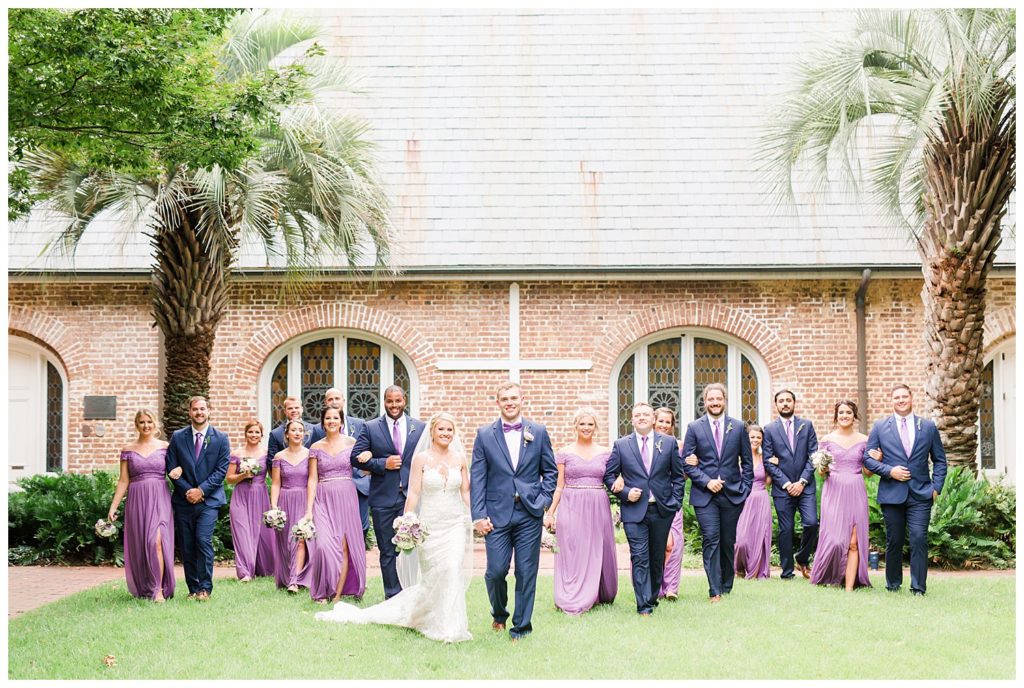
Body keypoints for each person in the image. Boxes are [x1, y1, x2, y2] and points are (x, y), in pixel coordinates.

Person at [316, 412, 474, 643]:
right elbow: (415, 493)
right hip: (430, 526)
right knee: (433, 576)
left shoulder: (460, 459)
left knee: (451, 569)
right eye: (441, 429)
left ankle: (450, 626)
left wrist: (477, 516)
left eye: (449, 430)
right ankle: (421, 615)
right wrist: (408, 520)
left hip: (455, 524)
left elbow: (466, 491)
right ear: (432, 432)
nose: (445, 433)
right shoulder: (421, 458)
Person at [471, 381, 557, 640]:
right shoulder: (484, 434)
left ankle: (521, 627)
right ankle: (499, 613)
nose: (509, 402)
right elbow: (478, 478)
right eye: (504, 399)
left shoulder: (538, 431)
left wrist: (543, 501)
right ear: (497, 402)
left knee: (526, 571)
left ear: (522, 400)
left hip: (529, 513)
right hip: (496, 514)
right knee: (495, 571)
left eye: (514, 398)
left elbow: (550, 471)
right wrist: (478, 515)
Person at [864, 384, 948, 595]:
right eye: (896, 397)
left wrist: (936, 487)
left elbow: (940, 461)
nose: (900, 400)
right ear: (891, 400)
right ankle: (893, 584)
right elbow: (867, 459)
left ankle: (918, 587)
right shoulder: (880, 427)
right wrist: (889, 471)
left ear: (911, 398)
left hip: (921, 494)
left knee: (919, 538)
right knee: (894, 540)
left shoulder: (928, 427)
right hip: (892, 493)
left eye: (904, 396)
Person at [604, 402, 684, 616]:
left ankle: (651, 596)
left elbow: (678, 476)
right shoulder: (621, 445)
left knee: (657, 557)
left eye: (646, 414)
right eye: (637, 415)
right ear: (632, 419)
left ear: (653, 419)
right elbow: (609, 476)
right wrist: (624, 492)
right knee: (639, 556)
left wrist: (675, 502)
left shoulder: (668, 443)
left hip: (661, 510)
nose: (641, 418)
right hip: (634, 510)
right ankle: (644, 606)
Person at [350, 385, 425, 600]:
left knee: (412, 546)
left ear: (405, 400)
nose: (394, 405)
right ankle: (392, 596)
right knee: (387, 549)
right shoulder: (371, 427)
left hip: (412, 497)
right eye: (390, 401)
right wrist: (383, 463)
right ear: (384, 402)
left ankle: (412, 592)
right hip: (383, 498)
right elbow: (354, 458)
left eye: (398, 401)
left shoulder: (419, 427)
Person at [682, 383, 753, 602]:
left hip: (732, 494)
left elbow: (748, 463)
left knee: (727, 540)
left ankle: (726, 585)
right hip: (705, 496)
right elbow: (687, 463)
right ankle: (714, 589)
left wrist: (745, 489)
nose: (714, 402)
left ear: (724, 400)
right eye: (710, 399)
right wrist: (706, 481)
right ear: (704, 402)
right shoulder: (694, 427)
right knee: (711, 538)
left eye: (718, 399)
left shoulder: (739, 426)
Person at [545, 408, 617, 615]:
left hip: (597, 505)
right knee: (572, 548)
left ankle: (593, 592)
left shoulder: (605, 453)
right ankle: (571, 594)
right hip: (571, 504)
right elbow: (559, 485)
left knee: (594, 548)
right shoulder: (564, 452)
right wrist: (550, 512)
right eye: (582, 424)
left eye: (590, 424)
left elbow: (612, 478)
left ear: (596, 427)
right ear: (575, 426)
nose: (586, 428)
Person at [165, 396, 231, 600]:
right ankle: (192, 588)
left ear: (209, 410)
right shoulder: (178, 437)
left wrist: (201, 491)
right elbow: (171, 467)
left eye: (202, 409)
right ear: (189, 412)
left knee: (203, 540)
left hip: (209, 501)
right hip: (184, 500)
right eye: (195, 409)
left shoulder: (220, 438)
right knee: (187, 544)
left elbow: (221, 471)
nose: (199, 413)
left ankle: (205, 588)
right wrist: (188, 491)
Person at [811, 400, 879, 590]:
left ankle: (849, 587)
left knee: (853, 542)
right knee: (835, 539)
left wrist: (876, 460)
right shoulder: (827, 439)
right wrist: (822, 466)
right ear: (836, 416)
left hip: (856, 489)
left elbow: (868, 472)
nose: (844, 415)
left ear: (854, 415)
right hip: (833, 490)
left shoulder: (865, 440)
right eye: (841, 412)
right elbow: (821, 473)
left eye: (848, 412)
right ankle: (829, 574)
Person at [107, 409, 174, 601]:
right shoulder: (128, 450)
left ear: (155, 424)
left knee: (157, 542)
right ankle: (146, 584)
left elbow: (175, 471)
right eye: (142, 422)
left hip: (160, 497)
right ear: (137, 425)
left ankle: (158, 590)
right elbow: (123, 481)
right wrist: (113, 506)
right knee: (142, 543)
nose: (146, 426)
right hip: (137, 498)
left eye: (149, 422)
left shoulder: (165, 447)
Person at [307, 406, 367, 602]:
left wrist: (369, 457)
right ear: (322, 422)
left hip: (346, 498)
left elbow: (365, 469)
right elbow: (312, 479)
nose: (331, 421)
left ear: (341, 422)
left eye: (335, 418)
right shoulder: (316, 447)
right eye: (327, 418)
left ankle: (337, 595)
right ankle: (322, 590)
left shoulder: (352, 443)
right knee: (323, 545)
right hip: (323, 498)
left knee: (343, 547)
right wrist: (308, 510)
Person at [761, 389, 819, 580]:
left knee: (811, 523)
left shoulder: (807, 425)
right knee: (786, 529)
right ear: (776, 405)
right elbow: (768, 461)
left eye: (788, 400)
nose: (785, 403)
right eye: (781, 401)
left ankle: (802, 558)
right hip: (782, 488)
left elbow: (813, 456)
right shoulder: (769, 430)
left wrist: (801, 482)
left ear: (794, 403)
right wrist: (786, 483)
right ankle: (787, 571)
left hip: (805, 486)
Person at [310, 388, 371, 536]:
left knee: (359, 530)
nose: (334, 402)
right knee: (331, 531)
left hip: (359, 485)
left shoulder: (360, 423)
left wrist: (369, 454)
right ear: (325, 403)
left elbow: (369, 448)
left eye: (337, 398)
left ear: (344, 401)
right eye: (330, 399)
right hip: (329, 489)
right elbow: (312, 458)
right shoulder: (318, 429)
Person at [226, 419, 275, 581]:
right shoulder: (236, 454)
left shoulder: (267, 453)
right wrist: (243, 475)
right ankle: (245, 572)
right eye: (250, 432)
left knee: (262, 534)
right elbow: (229, 479)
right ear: (245, 434)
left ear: (261, 435)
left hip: (260, 495)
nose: (253, 435)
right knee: (242, 532)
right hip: (241, 496)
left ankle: (264, 568)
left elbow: (275, 477)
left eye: (257, 432)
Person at [270, 419, 313, 592]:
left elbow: (313, 480)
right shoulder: (279, 457)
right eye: (293, 430)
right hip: (285, 500)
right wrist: (274, 505)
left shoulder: (311, 455)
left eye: (300, 430)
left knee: (300, 539)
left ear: (304, 434)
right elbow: (275, 483)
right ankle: (287, 577)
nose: (297, 433)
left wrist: (311, 507)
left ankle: (295, 581)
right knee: (286, 542)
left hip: (304, 498)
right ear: (286, 434)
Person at [653, 407, 685, 600]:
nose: (664, 425)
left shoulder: (678, 445)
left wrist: (692, 461)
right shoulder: (643, 444)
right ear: (653, 421)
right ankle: (654, 587)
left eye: (668, 422)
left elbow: (683, 474)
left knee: (673, 544)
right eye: (661, 421)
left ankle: (671, 587)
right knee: (656, 544)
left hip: (672, 500)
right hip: (649, 501)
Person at [733, 424, 772, 580]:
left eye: (758, 437)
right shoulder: (737, 458)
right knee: (741, 539)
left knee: (759, 536)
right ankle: (739, 568)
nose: (755, 440)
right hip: (743, 499)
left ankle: (755, 571)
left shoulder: (766, 459)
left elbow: (769, 479)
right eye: (752, 437)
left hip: (761, 499)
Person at [267, 396, 314, 472]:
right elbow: (271, 463)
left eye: (296, 408)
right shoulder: (275, 434)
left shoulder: (314, 430)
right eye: (290, 408)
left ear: (302, 409)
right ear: (285, 411)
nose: (294, 410)